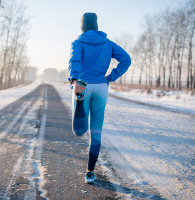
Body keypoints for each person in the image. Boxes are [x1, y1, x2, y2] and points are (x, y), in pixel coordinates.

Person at [68, 13, 131, 184]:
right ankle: (90, 172)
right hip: (101, 87)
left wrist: (74, 81)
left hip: (83, 85)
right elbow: (126, 59)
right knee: (96, 131)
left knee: (80, 131)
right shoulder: (108, 43)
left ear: (82, 25)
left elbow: (75, 61)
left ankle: (80, 101)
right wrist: (110, 77)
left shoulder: (78, 42)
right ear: (96, 25)